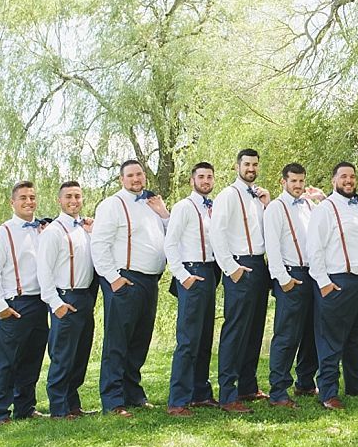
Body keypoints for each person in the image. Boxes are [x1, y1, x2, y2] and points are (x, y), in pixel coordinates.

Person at [91, 160, 170, 417]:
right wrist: (113, 278)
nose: (136, 179)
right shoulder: (112, 205)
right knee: (118, 340)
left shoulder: (151, 204)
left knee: (140, 340)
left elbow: (172, 237)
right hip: (126, 280)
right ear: (121, 179)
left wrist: (165, 214)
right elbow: (99, 244)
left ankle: (133, 393)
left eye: (139, 174)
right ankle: (113, 400)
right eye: (131, 175)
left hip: (150, 281)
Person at [306, 162, 358, 410]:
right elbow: (314, 248)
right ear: (334, 180)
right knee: (331, 340)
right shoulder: (325, 209)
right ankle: (327, 391)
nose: (349, 180)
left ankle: (356, 386)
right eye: (343, 176)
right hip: (337, 281)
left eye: (352, 177)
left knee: (357, 337)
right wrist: (324, 283)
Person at [210, 148, 272, 413]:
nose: (251, 168)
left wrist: (268, 204)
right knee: (236, 330)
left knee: (255, 328)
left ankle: (248, 385)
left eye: (255, 165)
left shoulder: (258, 197)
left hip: (259, 265)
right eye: (247, 164)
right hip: (240, 265)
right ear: (237, 166)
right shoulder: (228, 195)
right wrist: (230, 268)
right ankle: (227, 394)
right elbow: (217, 232)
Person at [0, 181, 49, 425]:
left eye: (32, 197)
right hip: (14, 303)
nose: (29, 202)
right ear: (13, 202)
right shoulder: (3, 233)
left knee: (32, 358)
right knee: (5, 361)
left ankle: (25, 406)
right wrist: (0, 307)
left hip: (39, 302)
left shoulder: (42, 231)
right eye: (23, 198)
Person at [263, 163, 324, 408]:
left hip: (313, 275)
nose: (297, 185)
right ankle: (278, 391)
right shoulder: (276, 208)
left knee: (311, 332)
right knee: (287, 335)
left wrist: (322, 197)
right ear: (283, 182)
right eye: (293, 181)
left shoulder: (310, 206)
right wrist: (283, 280)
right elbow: (272, 247)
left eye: (301, 181)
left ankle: (305, 382)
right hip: (291, 276)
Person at [37, 181, 99, 420]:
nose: (74, 201)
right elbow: (44, 272)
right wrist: (56, 304)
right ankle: (59, 408)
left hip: (85, 297)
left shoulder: (84, 229)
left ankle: (73, 404)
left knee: (80, 354)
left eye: (78, 196)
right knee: (63, 356)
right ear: (59, 201)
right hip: (65, 298)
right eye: (69, 197)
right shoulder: (53, 232)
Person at [164, 162, 220, 417]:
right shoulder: (183, 207)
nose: (206, 180)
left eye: (209, 177)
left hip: (210, 272)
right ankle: (177, 400)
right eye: (201, 177)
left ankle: (200, 392)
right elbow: (171, 243)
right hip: (192, 272)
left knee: (205, 336)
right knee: (188, 339)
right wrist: (183, 276)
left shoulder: (215, 207)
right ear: (192, 181)